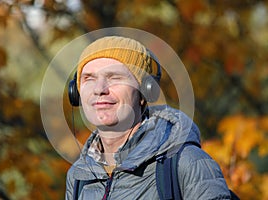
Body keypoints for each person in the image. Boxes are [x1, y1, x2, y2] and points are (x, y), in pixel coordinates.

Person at [65, 36, 232, 199]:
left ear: (145, 91)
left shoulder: (186, 162)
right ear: (76, 93)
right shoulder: (78, 177)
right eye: (89, 78)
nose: (99, 89)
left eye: (114, 77)